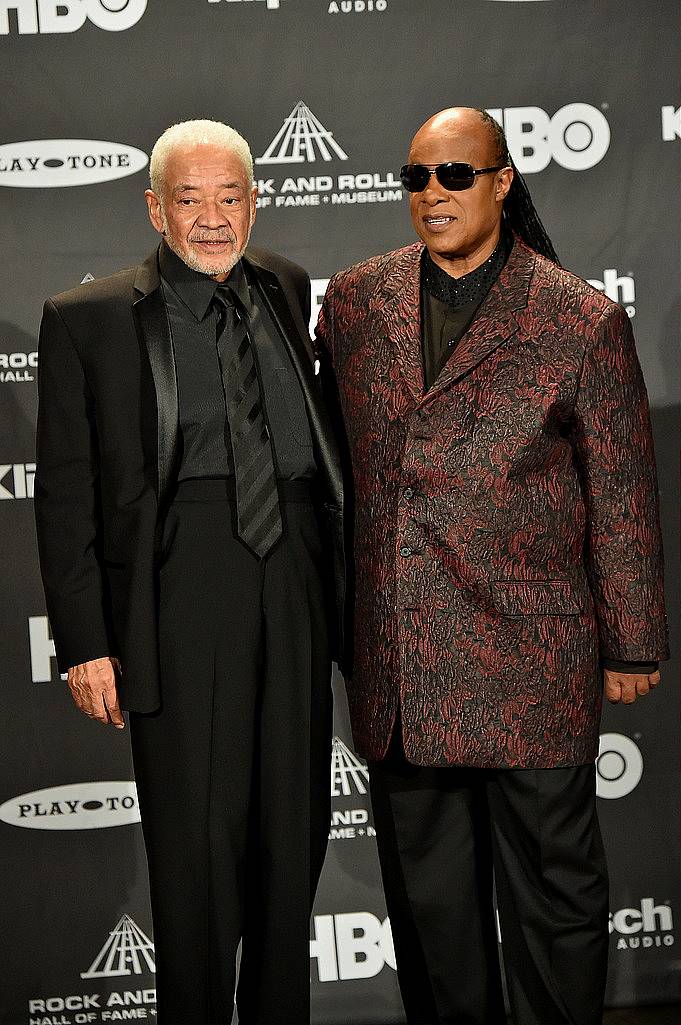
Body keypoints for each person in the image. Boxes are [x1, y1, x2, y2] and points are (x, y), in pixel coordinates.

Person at [315, 107, 668, 1025]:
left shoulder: (577, 317)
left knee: (555, 902)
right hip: (402, 666)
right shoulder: (353, 303)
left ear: (502, 182)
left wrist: (632, 642)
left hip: (531, 665)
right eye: (415, 178)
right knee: (433, 916)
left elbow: (621, 489)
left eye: (454, 176)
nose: (432, 195)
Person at [34, 119, 346, 1025]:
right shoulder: (86, 318)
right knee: (196, 858)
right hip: (179, 589)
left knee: (293, 846)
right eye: (190, 198)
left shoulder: (285, 285)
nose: (213, 219)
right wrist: (87, 640)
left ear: (256, 200)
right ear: (154, 208)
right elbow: (65, 496)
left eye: (231, 197)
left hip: (291, 581)